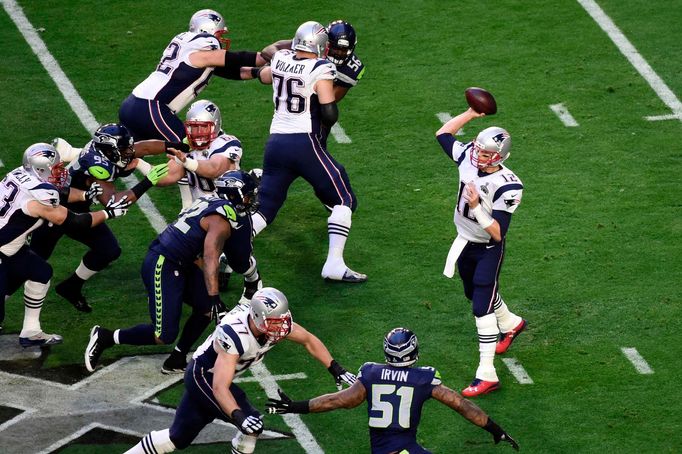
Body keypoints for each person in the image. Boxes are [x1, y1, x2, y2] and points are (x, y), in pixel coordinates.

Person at [122, 287, 357, 454]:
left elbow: (308, 339)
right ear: (257, 317)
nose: (282, 325)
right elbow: (219, 387)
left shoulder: (271, 323)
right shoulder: (235, 334)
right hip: (203, 377)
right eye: (276, 321)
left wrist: (335, 368)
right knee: (251, 423)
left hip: (213, 379)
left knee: (177, 437)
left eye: (283, 319)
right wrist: (239, 416)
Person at [84, 170, 260, 375]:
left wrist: (210, 298)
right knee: (163, 334)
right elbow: (211, 257)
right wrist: (214, 296)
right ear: (234, 195)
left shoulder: (211, 202)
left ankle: (177, 358)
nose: (251, 200)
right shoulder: (220, 220)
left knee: (205, 308)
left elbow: (199, 249)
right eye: (247, 195)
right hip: (164, 262)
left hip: (184, 261)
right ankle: (106, 336)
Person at [266, 327, 519, 453]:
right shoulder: (424, 379)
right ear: (414, 352)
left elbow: (338, 401)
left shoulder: (371, 373)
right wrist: (495, 429)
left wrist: (296, 406)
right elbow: (462, 405)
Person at [249, 21, 366, 283]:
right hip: (304, 141)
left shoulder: (281, 58)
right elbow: (329, 112)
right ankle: (334, 264)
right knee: (344, 199)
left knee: (266, 207)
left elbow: (270, 57)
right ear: (323, 46)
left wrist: (251, 71)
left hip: (276, 142)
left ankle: (229, 251)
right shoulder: (321, 66)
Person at [156, 100, 263, 371]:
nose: (198, 133)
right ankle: (206, 293)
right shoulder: (188, 146)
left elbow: (214, 169)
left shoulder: (227, 143)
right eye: (192, 127)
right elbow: (167, 177)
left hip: (230, 209)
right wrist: (140, 167)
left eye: (203, 127)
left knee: (240, 257)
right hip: (203, 214)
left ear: (215, 126)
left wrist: (188, 161)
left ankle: (251, 282)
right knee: (208, 260)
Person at [28, 123, 170, 313]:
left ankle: (71, 286)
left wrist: (179, 145)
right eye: (124, 148)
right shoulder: (98, 166)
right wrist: (147, 182)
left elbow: (143, 147)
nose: (129, 151)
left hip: (77, 206)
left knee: (108, 249)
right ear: (109, 150)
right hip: (55, 210)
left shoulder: (107, 150)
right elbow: (113, 201)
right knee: (30, 264)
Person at [436, 108, 527, 397]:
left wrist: (476, 206)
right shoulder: (467, 158)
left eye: (487, 154)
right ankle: (512, 323)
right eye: (478, 149)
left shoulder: (508, 185)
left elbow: (498, 233)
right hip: (465, 240)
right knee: (474, 294)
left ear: (499, 156)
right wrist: (471, 114)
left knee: (480, 307)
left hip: (488, 248)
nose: (479, 156)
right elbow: (443, 134)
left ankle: (486, 373)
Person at [0, 143, 129, 346]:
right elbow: (75, 221)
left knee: (41, 272)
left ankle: (31, 332)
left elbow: (61, 192)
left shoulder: (21, 174)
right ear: (40, 169)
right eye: (56, 169)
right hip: (3, 249)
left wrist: (86, 195)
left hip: (11, 247)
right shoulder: (40, 195)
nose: (61, 172)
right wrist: (108, 213)